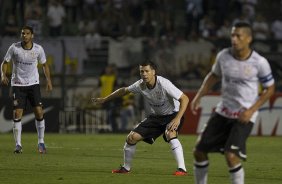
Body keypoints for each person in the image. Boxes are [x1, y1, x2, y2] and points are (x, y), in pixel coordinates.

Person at [190, 22, 275, 184]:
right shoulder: (223, 56)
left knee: (231, 156)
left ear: (248, 39)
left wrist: (251, 110)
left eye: (238, 36)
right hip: (223, 111)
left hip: (244, 115)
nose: (234, 39)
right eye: (232, 35)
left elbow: (270, 89)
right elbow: (213, 76)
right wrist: (199, 95)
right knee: (199, 151)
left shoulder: (259, 62)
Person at [92, 61, 189, 175]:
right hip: (156, 117)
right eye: (141, 71)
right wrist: (104, 99)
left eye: (147, 71)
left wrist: (177, 119)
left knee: (170, 134)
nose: (144, 74)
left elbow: (185, 98)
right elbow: (123, 90)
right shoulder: (140, 85)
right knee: (132, 138)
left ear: (153, 72)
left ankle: (182, 169)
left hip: (174, 114)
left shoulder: (164, 83)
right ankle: (125, 168)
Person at [0, 25, 53, 154]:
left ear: (32, 35)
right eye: (23, 33)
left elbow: (45, 65)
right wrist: (3, 74)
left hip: (33, 84)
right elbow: (5, 62)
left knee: (39, 113)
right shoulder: (14, 48)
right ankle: (18, 145)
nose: (25, 35)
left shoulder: (38, 49)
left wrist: (49, 81)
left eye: (27, 33)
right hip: (18, 85)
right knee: (17, 114)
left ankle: (41, 142)